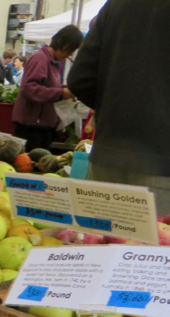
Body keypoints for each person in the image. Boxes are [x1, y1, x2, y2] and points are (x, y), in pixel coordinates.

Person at [68, 0, 170, 213]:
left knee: (103, 242)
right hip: (162, 166)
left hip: (106, 158)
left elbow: (79, 79)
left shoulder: (115, 5)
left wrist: (114, 109)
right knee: (158, 244)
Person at [12, 26, 82, 152]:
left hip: (42, 126)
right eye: (70, 49)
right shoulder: (40, 59)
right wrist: (61, 93)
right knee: (28, 166)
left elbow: (48, 87)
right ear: (62, 42)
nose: (70, 54)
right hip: (32, 127)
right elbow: (29, 89)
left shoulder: (52, 62)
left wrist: (65, 90)